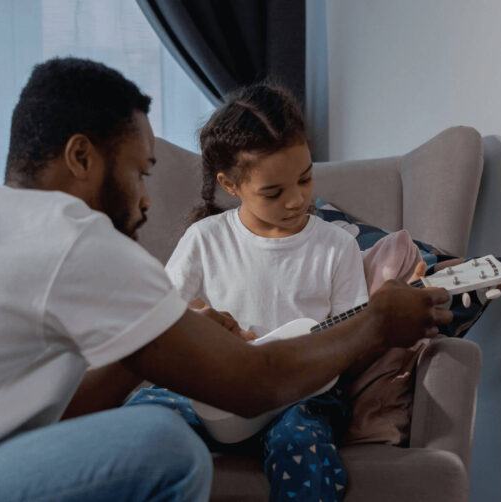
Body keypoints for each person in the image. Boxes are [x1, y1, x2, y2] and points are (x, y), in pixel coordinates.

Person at [0, 57, 452, 502]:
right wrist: (376, 322)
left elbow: (60, 416)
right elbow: (249, 384)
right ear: (82, 158)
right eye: (139, 173)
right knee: (163, 444)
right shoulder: (73, 237)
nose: (146, 201)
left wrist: (151, 348)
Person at [126, 83, 368, 502]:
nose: (296, 200)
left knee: (300, 441)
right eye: (273, 192)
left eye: (305, 178)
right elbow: (160, 320)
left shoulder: (337, 246)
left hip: (300, 397)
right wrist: (210, 336)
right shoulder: (205, 239)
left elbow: (353, 340)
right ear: (231, 184)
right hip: (212, 392)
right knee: (141, 419)